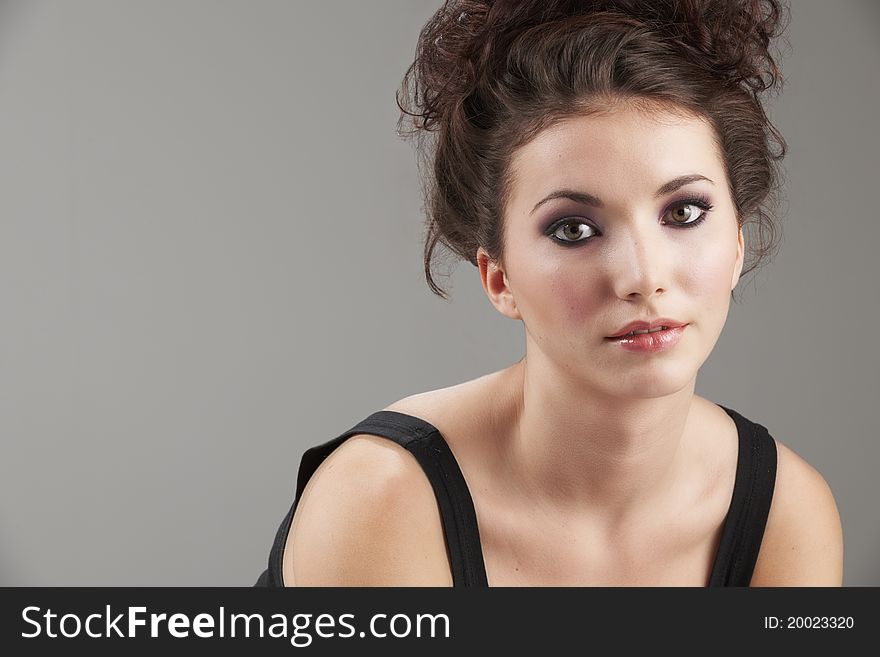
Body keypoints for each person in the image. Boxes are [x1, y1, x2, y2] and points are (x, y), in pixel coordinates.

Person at [255, 0, 843, 587]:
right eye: (574, 230)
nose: (643, 276)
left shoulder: (786, 512)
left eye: (685, 212)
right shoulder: (384, 499)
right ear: (500, 279)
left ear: (737, 244)